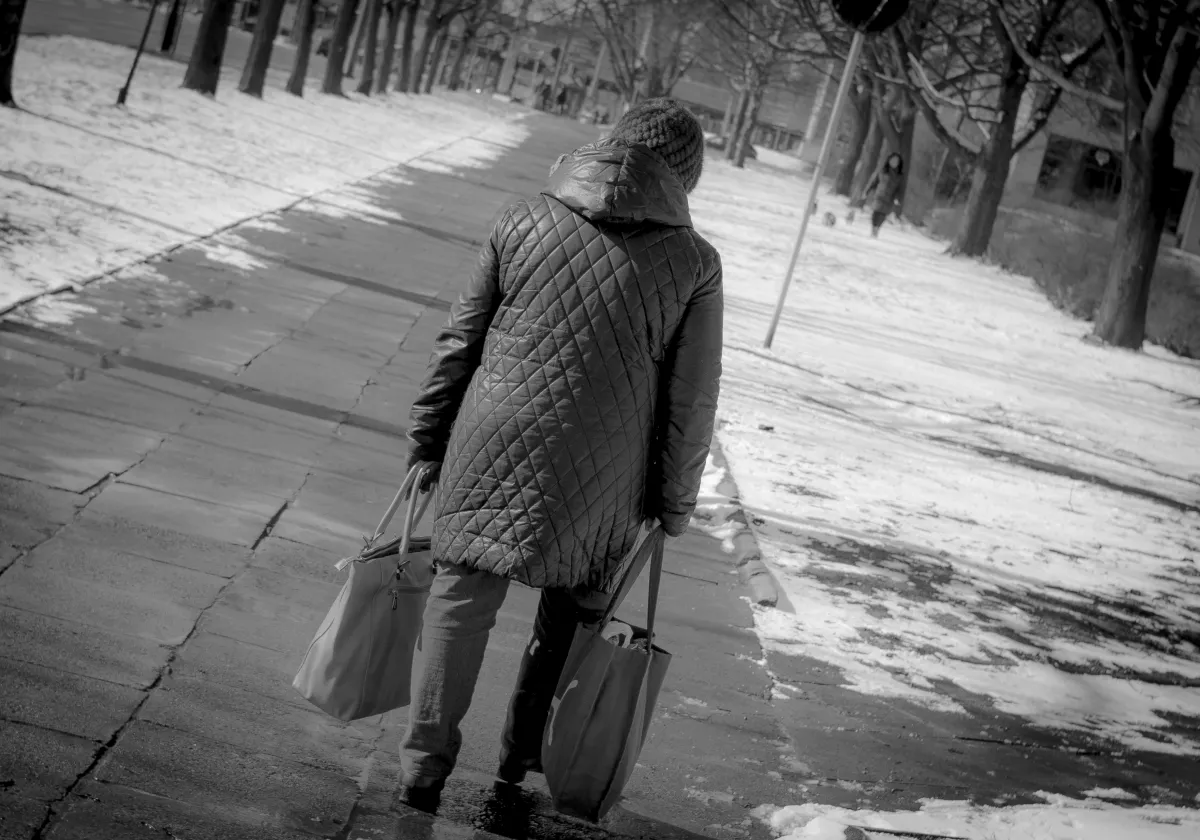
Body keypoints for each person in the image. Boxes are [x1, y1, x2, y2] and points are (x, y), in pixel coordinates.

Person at [396, 98, 724, 811]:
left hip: (490, 439)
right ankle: (517, 773)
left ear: (608, 144)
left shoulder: (521, 219)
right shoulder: (695, 264)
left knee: (459, 600)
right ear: (687, 178)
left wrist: (428, 435)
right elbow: (690, 401)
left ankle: (423, 767)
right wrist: (673, 504)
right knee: (570, 622)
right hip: (606, 474)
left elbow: (461, 338)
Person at [866, 153, 905, 237]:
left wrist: (898, 198)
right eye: (893, 160)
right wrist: (867, 191)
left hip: (890, 197)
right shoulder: (882, 170)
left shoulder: (900, 176)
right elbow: (873, 182)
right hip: (879, 195)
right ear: (889, 160)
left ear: (899, 163)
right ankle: (873, 228)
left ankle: (877, 229)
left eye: (896, 161)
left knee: (883, 214)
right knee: (876, 212)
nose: (894, 162)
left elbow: (900, 189)